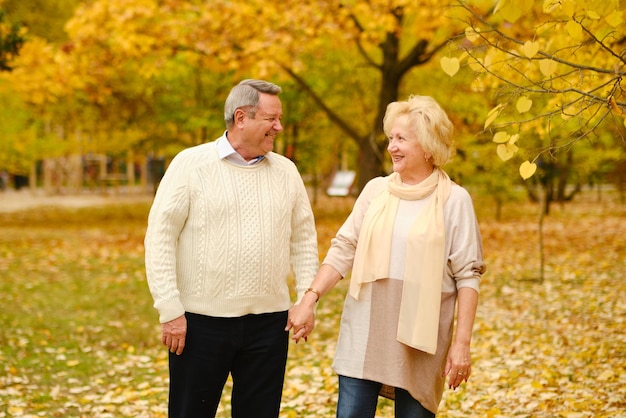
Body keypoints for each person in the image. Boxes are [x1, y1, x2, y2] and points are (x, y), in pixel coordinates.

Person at [288, 95, 486, 417]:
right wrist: (309, 299)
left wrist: (461, 345)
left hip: (420, 341)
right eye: (390, 138)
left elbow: (468, 276)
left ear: (428, 145)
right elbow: (344, 248)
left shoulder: (454, 201)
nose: (392, 146)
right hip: (365, 331)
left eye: (401, 139)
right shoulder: (375, 191)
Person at [144, 79, 319, 418]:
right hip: (199, 323)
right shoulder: (190, 165)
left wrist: (305, 299)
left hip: (270, 324)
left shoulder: (287, 172)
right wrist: (170, 309)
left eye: (279, 119)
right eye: (271, 119)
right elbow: (160, 238)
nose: (279, 127)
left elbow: (303, 239)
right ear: (242, 118)